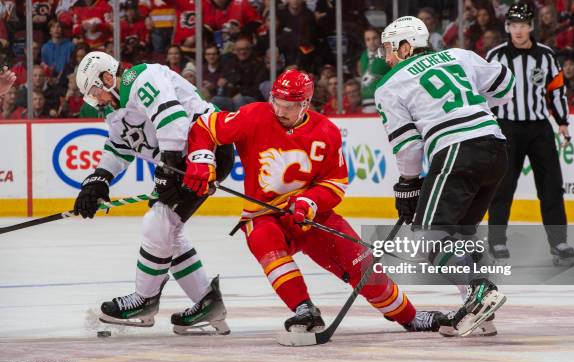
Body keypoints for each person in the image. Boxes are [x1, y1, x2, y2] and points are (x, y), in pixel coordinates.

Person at [183, 68, 446, 334]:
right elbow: (205, 127)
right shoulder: (255, 115)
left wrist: (310, 202)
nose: (279, 111)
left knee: (362, 266)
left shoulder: (326, 131)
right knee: (264, 241)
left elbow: (335, 183)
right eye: (276, 102)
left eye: (288, 106)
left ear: (305, 104)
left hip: (310, 214)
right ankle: (303, 308)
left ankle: (410, 317)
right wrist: (201, 160)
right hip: (264, 214)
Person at [73, 51, 234, 335]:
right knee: (167, 231)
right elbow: (120, 147)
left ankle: (144, 300)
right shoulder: (114, 108)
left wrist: (169, 166)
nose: (96, 100)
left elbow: (171, 118)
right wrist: (98, 179)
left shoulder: (141, 77)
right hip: (181, 159)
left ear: (108, 77)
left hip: (203, 151)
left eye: (95, 91)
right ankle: (207, 303)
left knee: (157, 224)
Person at [375, 16, 512, 336]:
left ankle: (481, 291)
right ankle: (480, 314)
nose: (388, 58)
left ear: (406, 46)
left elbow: (408, 147)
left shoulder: (391, 84)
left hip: (457, 152)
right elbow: (505, 86)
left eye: (390, 50)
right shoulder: (459, 55)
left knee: (428, 237)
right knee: (459, 235)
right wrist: (471, 108)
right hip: (496, 148)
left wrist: (407, 185)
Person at [486, 3, 574, 266]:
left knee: (551, 185)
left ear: (531, 26)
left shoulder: (546, 56)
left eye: (523, 25)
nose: (518, 30)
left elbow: (556, 90)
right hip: (507, 127)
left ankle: (559, 241)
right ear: (507, 27)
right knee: (502, 186)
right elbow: (482, 91)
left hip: (539, 128)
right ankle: (497, 240)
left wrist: (562, 121)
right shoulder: (496, 56)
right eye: (513, 25)